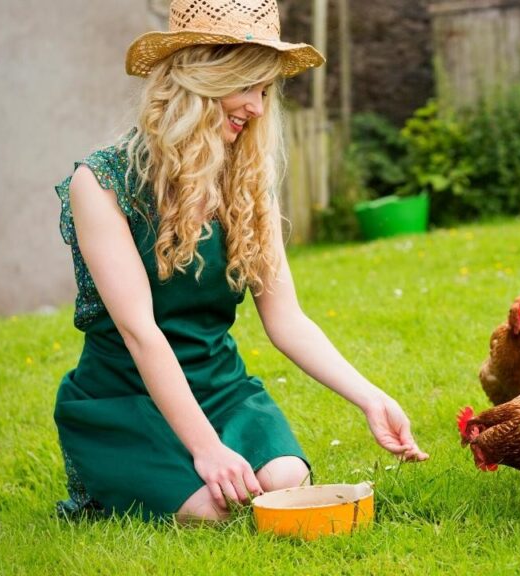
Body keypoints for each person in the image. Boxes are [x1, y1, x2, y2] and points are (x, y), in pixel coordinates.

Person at [53, 0, 427, 522]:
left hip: (218, 384)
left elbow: (287, 321)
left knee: (285, 482)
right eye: (247, 85)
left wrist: (369, 398)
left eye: (265, 90)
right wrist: (207, 449)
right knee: (213, 509)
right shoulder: (100, 184)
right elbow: (142, 334)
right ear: (199, 77)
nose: (257, 107)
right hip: (124, 395)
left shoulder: (246, 182)